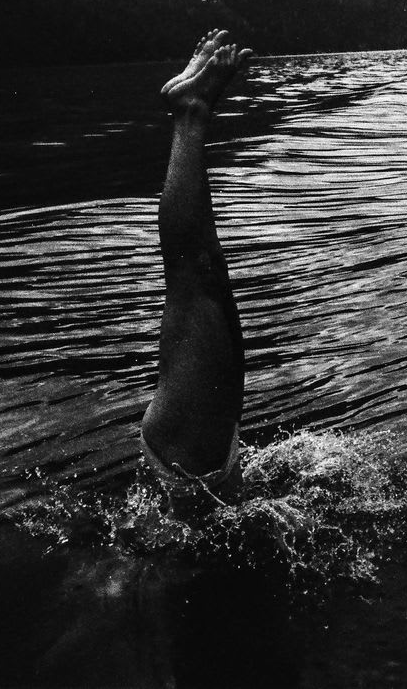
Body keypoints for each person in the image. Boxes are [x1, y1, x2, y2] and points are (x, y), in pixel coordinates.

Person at [140, 29, 254, 505]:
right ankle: (190, 113)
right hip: (191, 465)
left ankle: (191, 114)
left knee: (200, 277)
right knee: (203, 275)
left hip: (187, 462)